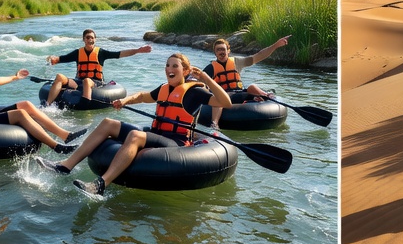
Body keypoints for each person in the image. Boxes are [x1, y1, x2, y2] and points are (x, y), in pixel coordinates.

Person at [32, 53, 232, 196]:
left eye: (174, 66)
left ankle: (101, 184)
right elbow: (143, 96)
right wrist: (126, 101)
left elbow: (226, 102)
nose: (169, 69)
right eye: (167, 65)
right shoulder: (164, 88)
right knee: (108, 123)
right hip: (158, 135)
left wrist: (207, 79)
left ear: (186, 71)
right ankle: (65, 166)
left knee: (135, 136)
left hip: (177, 143)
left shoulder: (194, 92)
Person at [42, 29, 152, 106]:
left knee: (87, 81)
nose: (90, 40)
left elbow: (120, 54)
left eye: (92, 38)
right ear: (84, 39)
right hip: (78, 82)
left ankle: (85, 104)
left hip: (96, 83)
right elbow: (60, 59)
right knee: (60, 76)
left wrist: (138, 50)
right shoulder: (77, 53)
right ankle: (48, 105)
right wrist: (52, 59)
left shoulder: (101, 53)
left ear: (95, 39)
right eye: (88, 37)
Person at [203, 35, 289, 103]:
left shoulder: (237, 62)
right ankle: (255, 97)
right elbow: (199, 81)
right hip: (225, 96)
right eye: (218, 50)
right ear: (215, 53)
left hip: (240, 92)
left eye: (223, 49)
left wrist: (276, 45)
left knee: (252, 87)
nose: (221, 52)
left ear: (228, 51)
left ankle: (266, 95)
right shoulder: (211, 68)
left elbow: (258, 56)